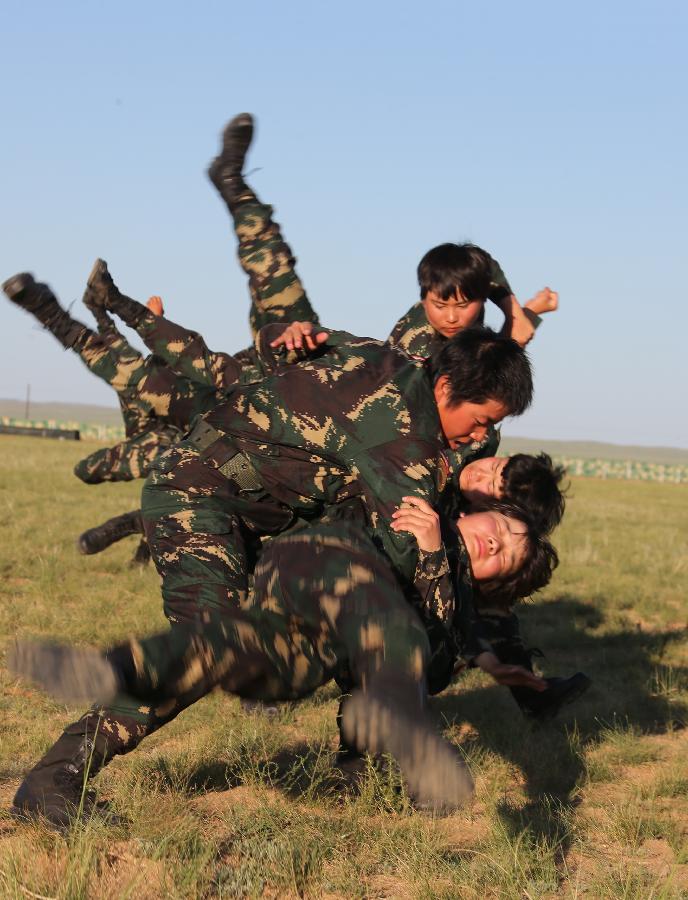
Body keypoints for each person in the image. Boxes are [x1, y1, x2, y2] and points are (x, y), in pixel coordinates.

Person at [9, 498, 558, 828]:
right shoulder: (418, 491)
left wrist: (441, 564)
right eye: (503, 527)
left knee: (221, 654)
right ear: (479, 509)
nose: (497, 541)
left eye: (508, 553)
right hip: (310, 565)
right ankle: (402, 734)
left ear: (498, 582)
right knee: (384, 636)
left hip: (311, 636)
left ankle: (116, 676)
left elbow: (439, 655)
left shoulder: (453, 597)